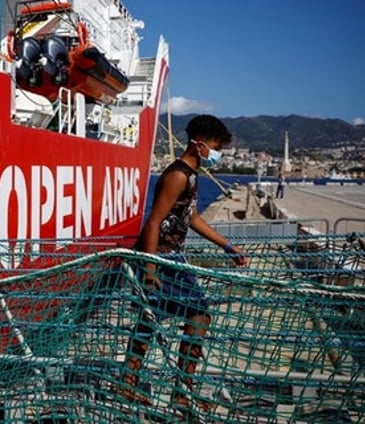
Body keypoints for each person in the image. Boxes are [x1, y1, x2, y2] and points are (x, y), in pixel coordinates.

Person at [120, 114, 249, 411]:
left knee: (150, 322)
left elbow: (190, 217)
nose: (217, 154)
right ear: (198, 144)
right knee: (195, 316)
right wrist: (150, 271)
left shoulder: (192, 174)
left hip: (172, 257)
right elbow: (152, 223)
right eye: (215, 147)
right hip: (163, 258)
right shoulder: (178, 175)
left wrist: (226, 246)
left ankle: (140, 384)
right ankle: (179, 391)